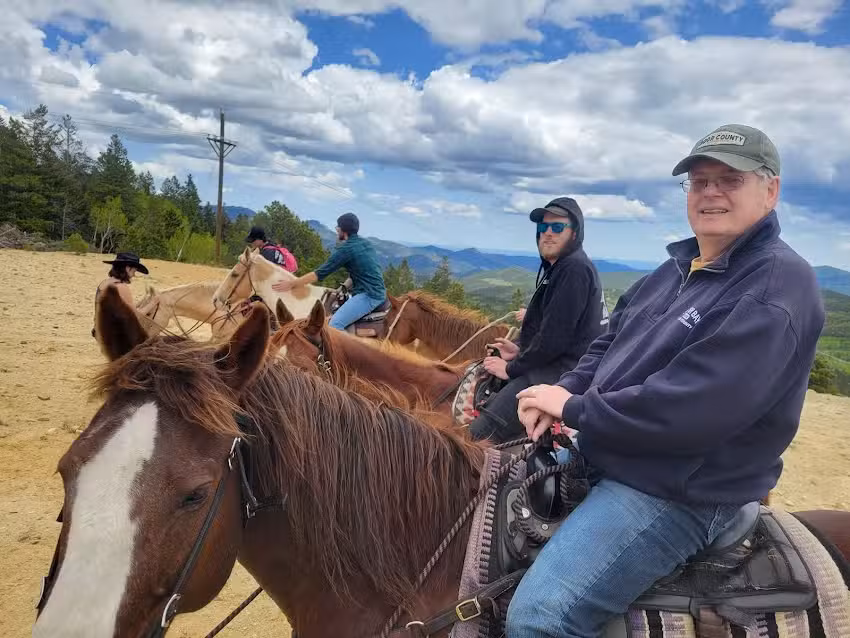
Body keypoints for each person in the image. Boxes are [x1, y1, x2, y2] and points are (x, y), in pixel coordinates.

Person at [506, 124, 825, 638]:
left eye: (730, 179)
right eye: (699, 182)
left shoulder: (774, 285)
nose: (710, 192)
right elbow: (610, 341)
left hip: (677, 488)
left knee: (540, 618)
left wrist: (575, 410)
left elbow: (693, 410)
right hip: (613, 451)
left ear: (771, 190)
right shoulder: (679, 265)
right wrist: (565, 392)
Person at [467, 197, 608, 443]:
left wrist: (511, 369)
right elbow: (552, 328)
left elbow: (553, 341)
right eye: (543, 227)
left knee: (475, 438)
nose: (547, 234)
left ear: (575, 233)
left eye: (557, 227)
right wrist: (520, 349)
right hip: (558, 364)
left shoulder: (573, 270)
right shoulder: (562, 268)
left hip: (562, 372)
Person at [271, 212, 386, 331]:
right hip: (378, 291)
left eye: (338, 228)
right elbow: (362, 271)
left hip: (369, 295)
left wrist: (292, 284)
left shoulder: (346, 249)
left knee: (334, 326)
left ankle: (346, 349)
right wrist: (344, 287)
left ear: (343, 230)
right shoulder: (366, 243)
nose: (337, 230)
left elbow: (319, 273)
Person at [92, 252, 149, 338]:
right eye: (134, 271)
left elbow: (121, 308)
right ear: (127, 268)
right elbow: (136, 316)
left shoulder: (105, 283)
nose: (134, 275)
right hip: (113, 337)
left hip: (99, 330)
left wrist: (142, 302)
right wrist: (154, 302)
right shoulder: (121, 287)